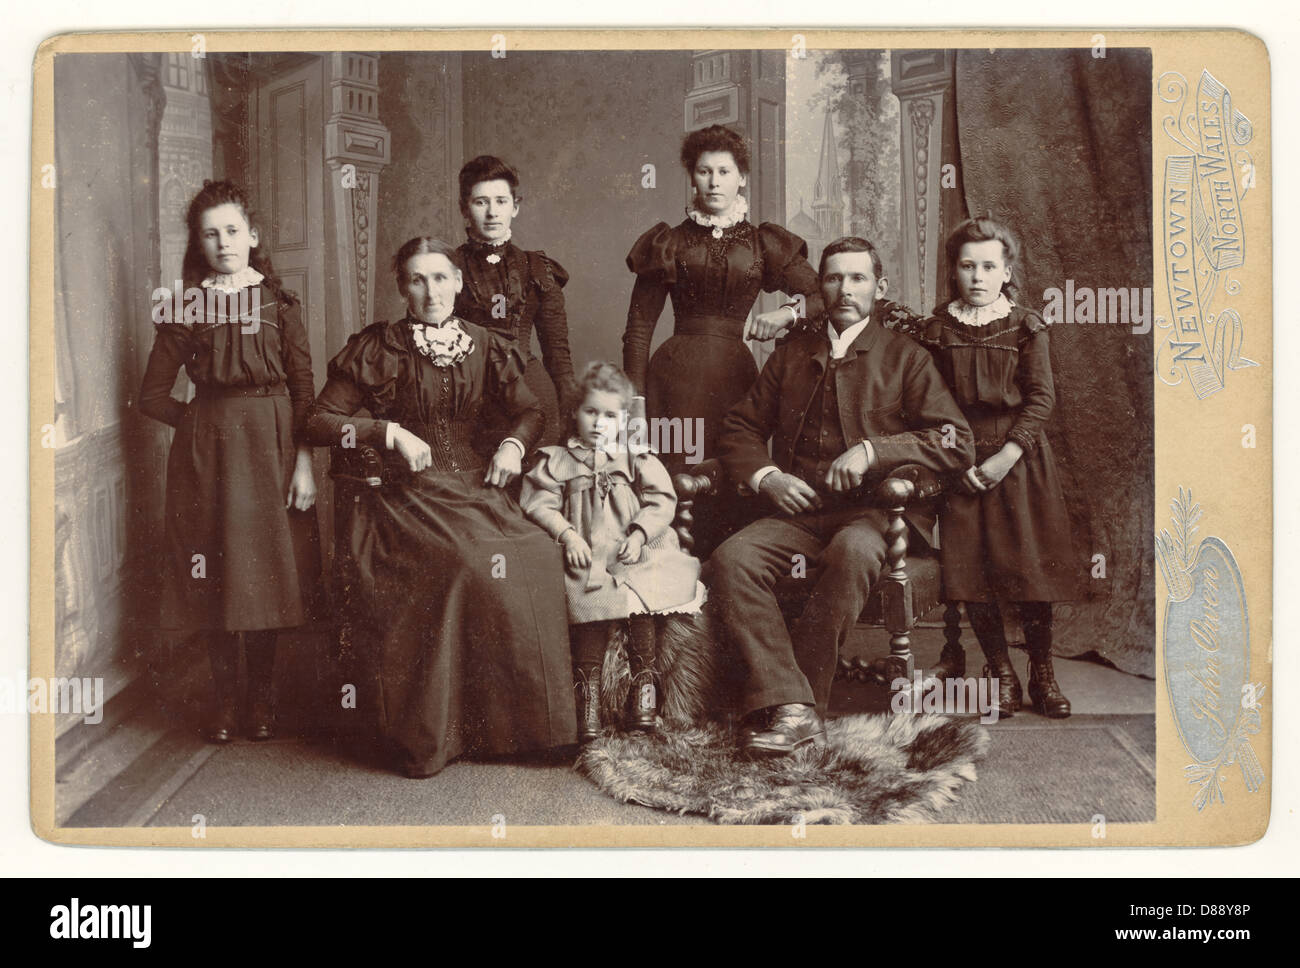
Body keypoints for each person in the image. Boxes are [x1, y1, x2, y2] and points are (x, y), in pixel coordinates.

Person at [305, 237, 575, 777]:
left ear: (457, 283)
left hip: (474, 486)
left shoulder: (486, 344)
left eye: (441, 278)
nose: (431, 291)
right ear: (403, 288)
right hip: (404, 496)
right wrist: (387, 433)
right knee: (467, 563)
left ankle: (520, 730)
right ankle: (448, 731)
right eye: (417, 280)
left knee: (535, 554)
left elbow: (530, 409)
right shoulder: (379, 347)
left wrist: (513, 445)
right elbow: (317, 421)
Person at [706, 237, 974, 757]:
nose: (844, 289)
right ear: (820, 287)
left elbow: (954, 439)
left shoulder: (907, 358)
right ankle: (795, 707)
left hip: (876, 516)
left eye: (857, 279)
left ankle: (797, 707)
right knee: (730, 560)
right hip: (802, 513)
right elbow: (739, 427)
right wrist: (767, 478)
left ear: (879, 287)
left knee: (850, 553)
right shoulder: (791, 356)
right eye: (833, 278)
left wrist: (874, 451)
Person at [138, 179, 319, 744]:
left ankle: (261, 701)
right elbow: (151, 395)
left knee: (264, 575)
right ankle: (222, 702)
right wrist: (197, 425)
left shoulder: (280, 304)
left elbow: (305, 391)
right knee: (216, 574)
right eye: (210, 234)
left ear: (253, 235)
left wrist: (305, 463)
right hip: (208, 458)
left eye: (233, 231)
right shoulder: (186, 306)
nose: (223, 243)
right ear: (199, 243)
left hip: (274, 447)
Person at [622, 124, 824, 552]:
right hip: (673, 382)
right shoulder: (669, 241)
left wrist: (788, 313)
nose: (714, 182)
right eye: (703, 171)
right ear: (692, 177)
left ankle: (727, 581)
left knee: (735, 470)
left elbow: (823, 295)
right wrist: (636, 402)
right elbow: (638, 328)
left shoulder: (761, 241)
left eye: (724, 171)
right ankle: (675, 589)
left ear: (742, 177)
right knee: (677, 475)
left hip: (735, 380)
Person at [915, 217, 1080, 718]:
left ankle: (1042, 674)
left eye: (989, 265)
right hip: (961, 462)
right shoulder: (937, 330)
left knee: (1029, 569)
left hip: (1020, 459)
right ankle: (1001, 672)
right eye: (968, 266)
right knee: (974, 573)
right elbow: (929, 404)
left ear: (1007, 271)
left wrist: (1007, 455)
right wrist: (962, 460)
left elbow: (1041, 398)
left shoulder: (1026, 324)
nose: (978, 276)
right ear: (954, 271)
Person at [520, 362, 704, 741]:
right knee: (586, 602)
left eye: (609, 415)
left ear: (622, 419)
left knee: (643, 599)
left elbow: (661, 500)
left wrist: (638, 535)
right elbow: (539, 504)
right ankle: (586, 697)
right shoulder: (555, 459)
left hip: (629, 549)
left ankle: (645, 689)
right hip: (586, 552)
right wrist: (568, 535)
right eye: (591, 412)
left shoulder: (634, 456)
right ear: (574, 412)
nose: (599, 423)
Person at [454, 155, 576, 446]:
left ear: (515, 207)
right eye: (481, 202)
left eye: (501, 201)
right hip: (470, 395)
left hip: (531, 390)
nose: (492, 212)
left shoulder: (536, 268)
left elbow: (557, 353)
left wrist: (571, 412)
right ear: (464, 208)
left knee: (538, 485)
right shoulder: (448, 266)